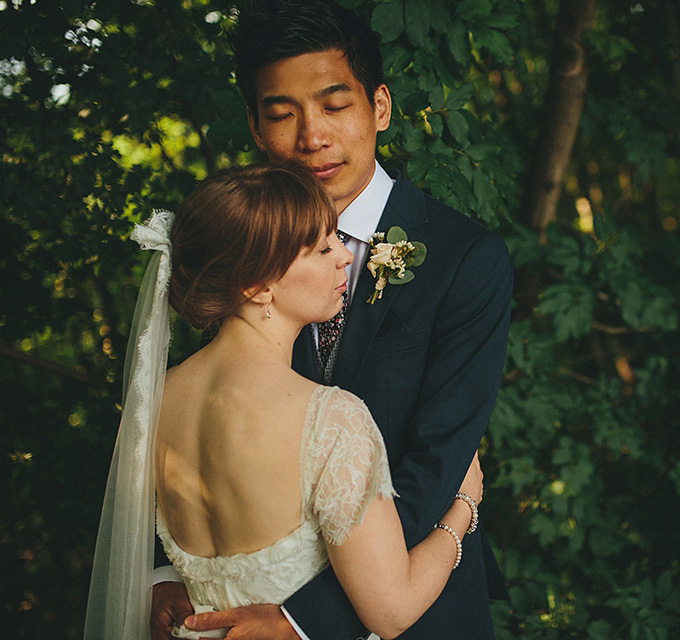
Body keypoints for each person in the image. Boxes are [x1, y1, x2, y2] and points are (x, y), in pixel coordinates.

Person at [151, 1, 513, 639]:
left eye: (334, 105)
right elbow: (197, 432)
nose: (311, 136)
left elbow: (437, 464)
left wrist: (303, 621)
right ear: (257, 127)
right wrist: (167, 577)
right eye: (282, 114)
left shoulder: (465, 260)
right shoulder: (240, 249)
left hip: (414, 613)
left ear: (379, 106)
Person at [84, 162, 483, 640]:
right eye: (321, 247)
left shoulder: (157, 398)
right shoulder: (330, 419)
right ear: (257, 286)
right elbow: (391, 611)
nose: (345, 257)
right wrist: (462, 509)